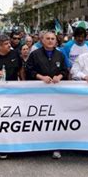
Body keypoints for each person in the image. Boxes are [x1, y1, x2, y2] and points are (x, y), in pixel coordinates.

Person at [25, 31, 67, 160]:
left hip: (56, 95)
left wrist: (59, 76)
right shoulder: (35, 54)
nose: (50, 41)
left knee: (55, 121)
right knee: (39, 120)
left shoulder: (60, 55)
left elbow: (65, 71)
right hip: (39, 94)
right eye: (47, 38)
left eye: (52, 39)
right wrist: (41, 77)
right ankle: (37, 145)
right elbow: (29, 70)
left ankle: (55, 146)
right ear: (42, 40)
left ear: (56, 41)